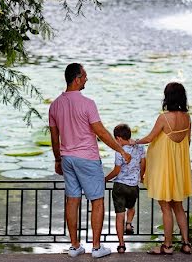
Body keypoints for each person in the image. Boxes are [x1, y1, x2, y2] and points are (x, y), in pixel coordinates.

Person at [49, 63, 132, 258]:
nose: (87, 79)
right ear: (77, 79)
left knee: (72, 200)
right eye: (84, 76)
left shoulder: (55, 105)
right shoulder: (88, 104)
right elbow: (101, 133)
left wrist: (58, 160)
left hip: (67, 159)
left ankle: (75, 246)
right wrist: (121, 150)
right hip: (87, 159)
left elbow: (54, 138)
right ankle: (96, 247)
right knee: (97, 200)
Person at [135, 82, 192, 255]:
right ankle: (186, 244)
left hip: (163, 169)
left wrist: (134, 141)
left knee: (165, 208)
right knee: (179, 207)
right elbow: (187, 143)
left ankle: (167, 246)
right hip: (178, 169)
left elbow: (150, 138)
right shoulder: (187, 118)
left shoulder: (164, 118)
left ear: (167, 97)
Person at [104, 123, 146, 254]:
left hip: (120, 186)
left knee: (119, 215)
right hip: (133, 186)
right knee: (131, 207)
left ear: (118, 138)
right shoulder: (139, 147)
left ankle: (121, 244)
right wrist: (141, 176)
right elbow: (144, 162)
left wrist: (104, 179)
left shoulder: (119, 151)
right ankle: (129, 223)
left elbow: (116, 171)